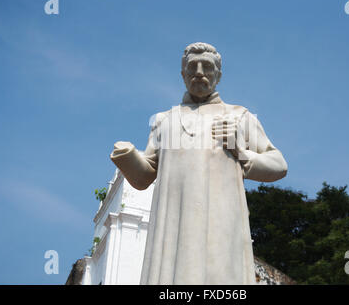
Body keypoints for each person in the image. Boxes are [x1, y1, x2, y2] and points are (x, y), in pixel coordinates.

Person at [110, 42, 288, 284]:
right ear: (183, 74)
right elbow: (144, 177)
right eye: (193, 66)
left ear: (218, 75)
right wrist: (128, 156)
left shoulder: (239, 116)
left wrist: (241, 151)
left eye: (207, 66)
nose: (200, 72)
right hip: (174, 228)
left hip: (221, 224)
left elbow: (278, 165)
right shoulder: (166, 121)